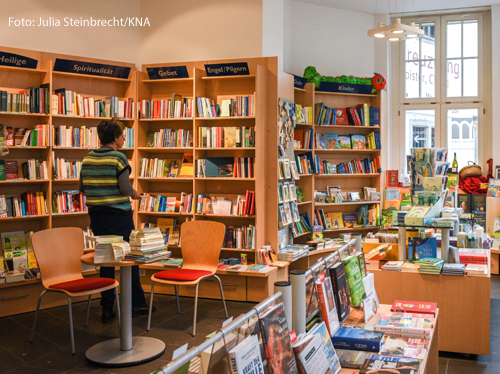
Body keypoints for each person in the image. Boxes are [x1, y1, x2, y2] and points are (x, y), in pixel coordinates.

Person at [79, 119, 155, 323]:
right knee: (131, 257)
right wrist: (135, 194)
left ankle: (106, 307)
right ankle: (136, 303)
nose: (123, 138)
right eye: (122, 135)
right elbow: (124, 188)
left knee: (106, 259)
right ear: (114, 137)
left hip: (97, 216)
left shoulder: (88, 159)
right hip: (119, 216)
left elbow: (82, 188)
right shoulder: (119, 158)